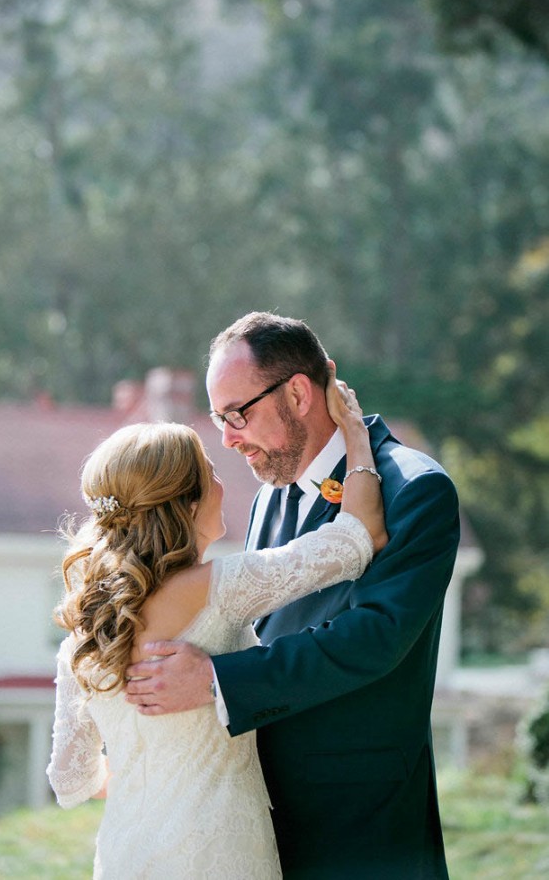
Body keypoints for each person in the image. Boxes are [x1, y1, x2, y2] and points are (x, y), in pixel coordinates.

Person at [125, 312, 461, 879]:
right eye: (218, 418)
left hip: (362, 833)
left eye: (238, 414)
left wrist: (215, 681)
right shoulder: (269, 498)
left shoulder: (415, 488)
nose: (228, 438)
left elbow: (374, 637)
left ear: (299, 393)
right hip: (252, 827)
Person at [46, 371, 387, 880]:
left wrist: (154, 775)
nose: (223, 483)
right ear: (185, 504)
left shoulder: (86, 634)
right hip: (223, 852)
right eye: (209, 472)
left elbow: (69, 782)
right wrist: (356, 433)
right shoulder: (221, 587)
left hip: (126, 857)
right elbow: (358, 538)